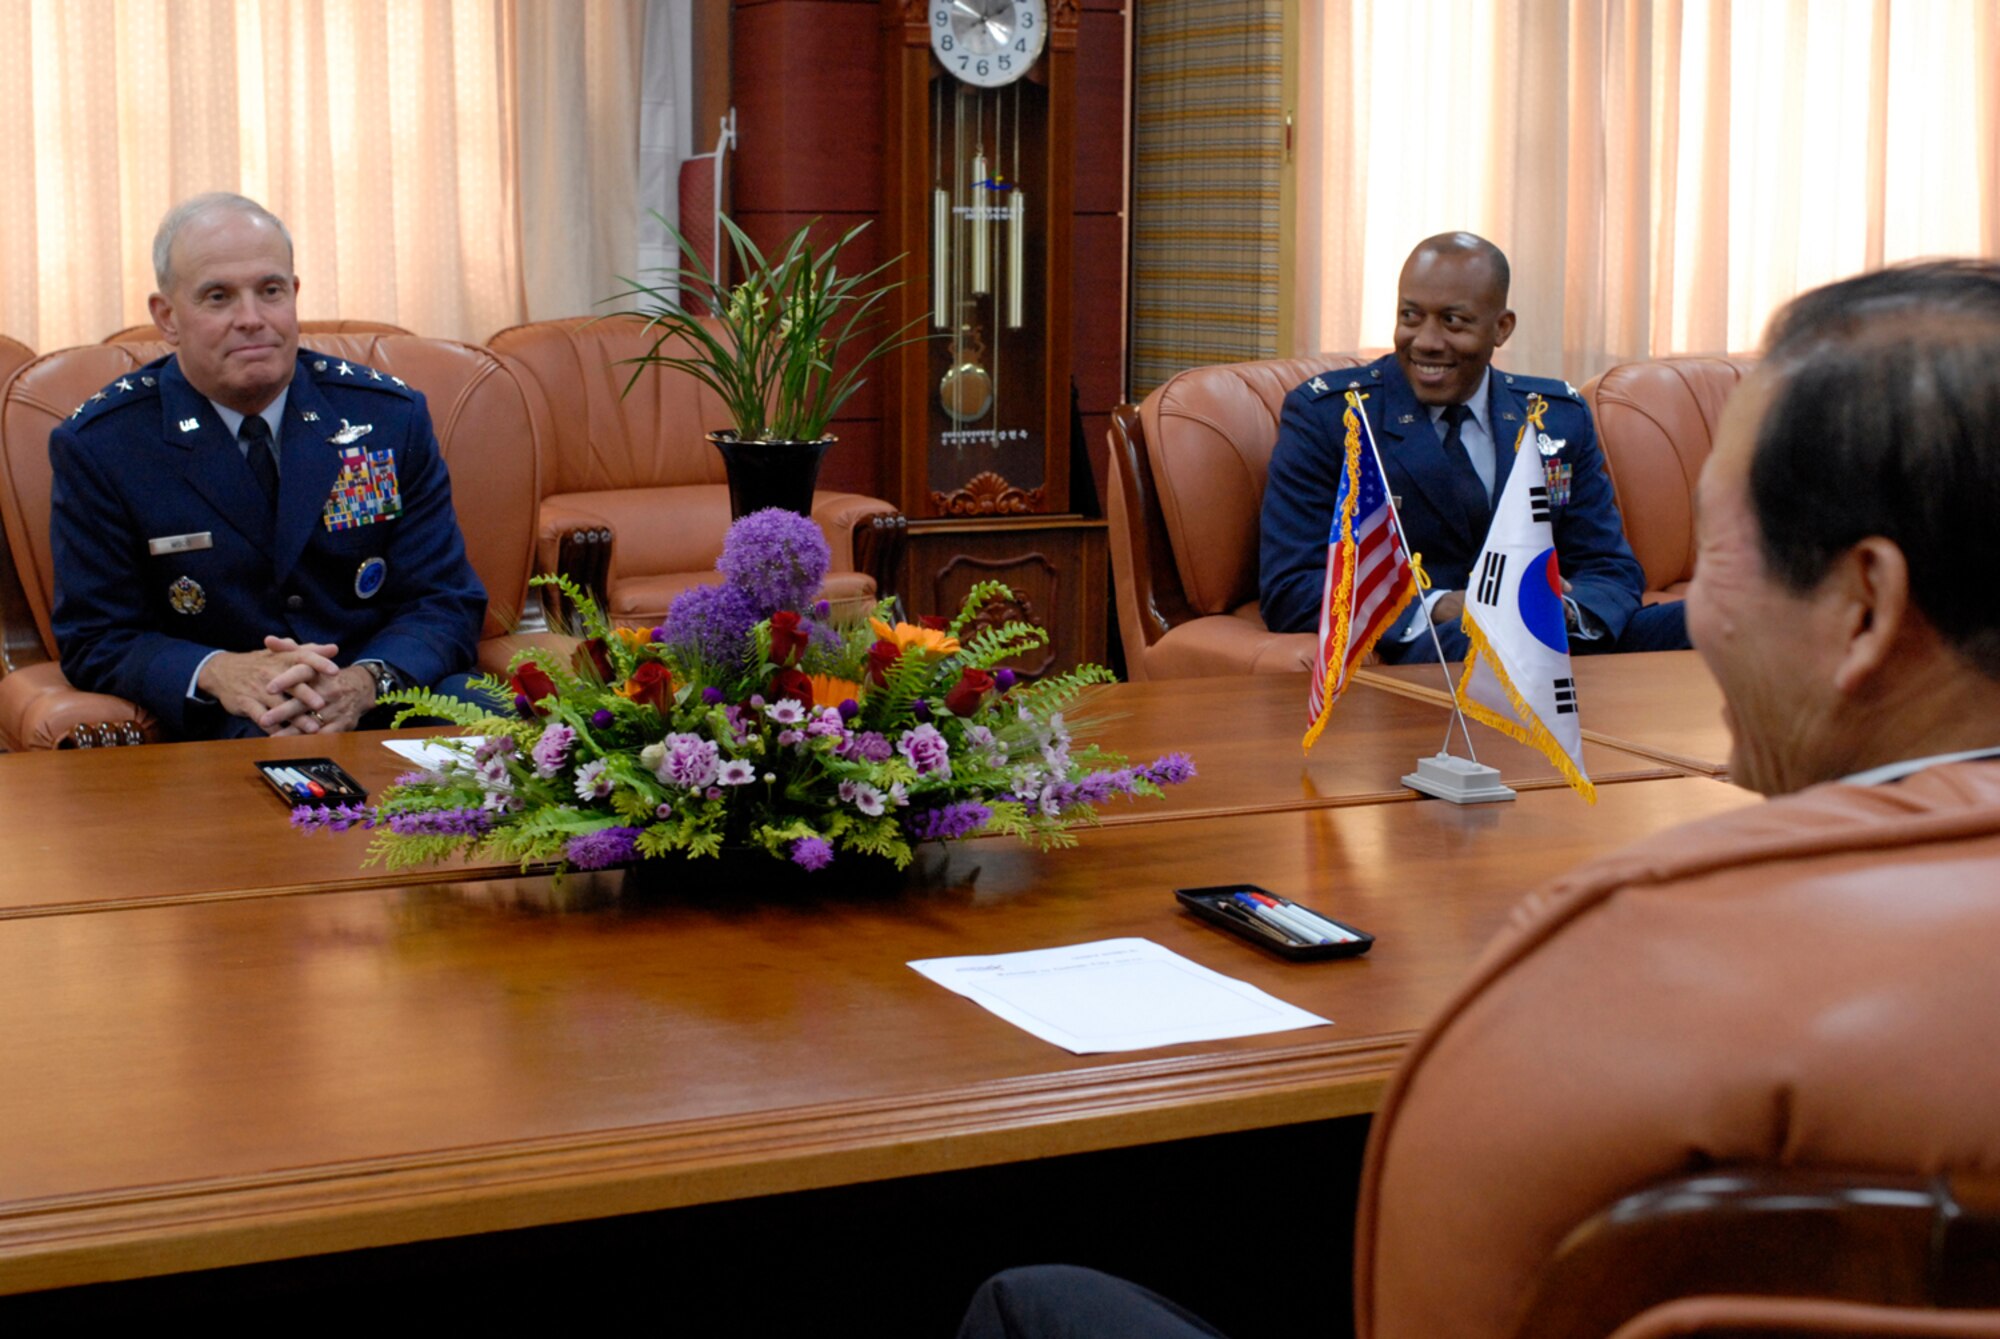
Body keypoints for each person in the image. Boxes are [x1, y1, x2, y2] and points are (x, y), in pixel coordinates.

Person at [960, 258, 2000, 1337]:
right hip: (1422, 658)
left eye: (1721, 545)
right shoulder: (1338, 415)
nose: (1693, 601)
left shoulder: (1613, 959)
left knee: (1029, 1298)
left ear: (1864, 605)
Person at [49, 193, 486, 741]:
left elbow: (445, 599)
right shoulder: (105, 445)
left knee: (486, 718)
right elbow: (95, 635)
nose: (251, 319)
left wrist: (366, 681)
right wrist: (216, 671)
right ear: (167, 317)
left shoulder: (387, 418)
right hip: (230, 713)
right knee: (268, 750)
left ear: (294, 295)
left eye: (271, 291)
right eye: (218, 297)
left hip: (379, 686)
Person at [1259, 232, 1688, 661]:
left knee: (1703, 620)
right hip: (1433, 646)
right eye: (1410, 316)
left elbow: (1609, 568)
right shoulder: (1335, 417)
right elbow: (1292, 586)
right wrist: (1442, 606)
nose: (1425, 341)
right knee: (1492, 645)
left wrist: (1566, 613)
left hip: (1550, 638)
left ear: (1501, 328)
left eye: (1453, 321)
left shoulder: (1555, 417)